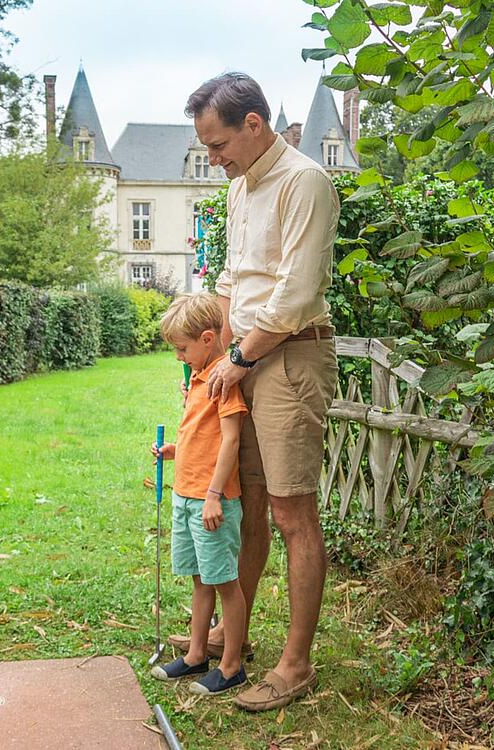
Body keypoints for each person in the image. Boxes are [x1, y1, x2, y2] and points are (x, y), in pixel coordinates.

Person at [168, 73, 340, 712]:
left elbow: (294, 294)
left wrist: (238, 359)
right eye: (207, 149)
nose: (213, 160)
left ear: (254, 125)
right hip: (240, 360)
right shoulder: (242, 189)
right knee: (245, 500)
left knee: (292, 512)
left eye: (217, 146)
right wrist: (211, 355)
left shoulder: (305, 183)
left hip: (290, 357)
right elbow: (235, 283)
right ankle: (228, 634)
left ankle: (295, 665)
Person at [148, 293, 249, 696]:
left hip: (212, 503)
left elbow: (230, 442)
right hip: (186, 495)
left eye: (181, 349)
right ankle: (195, 655)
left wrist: (212, 495)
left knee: (225, 582)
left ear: (208, 339)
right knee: (200, 580)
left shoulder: (223, 384)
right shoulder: (195, 379)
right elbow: (201, 437)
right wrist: (177, 451)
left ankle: (231, 666)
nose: (178, 357)